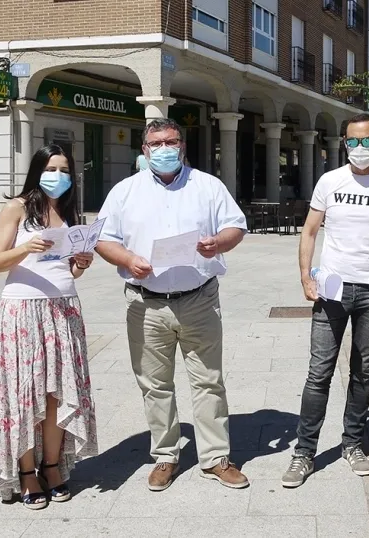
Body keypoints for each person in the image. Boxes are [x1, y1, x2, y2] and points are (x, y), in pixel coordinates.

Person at [96, 118, 249, 491]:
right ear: (144, 150)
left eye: (172, 141)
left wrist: (219, 243)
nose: (165, 148)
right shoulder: (124, 192)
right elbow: (102, 238)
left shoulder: (207, 186)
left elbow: (236, 226)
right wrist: (127, 260)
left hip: (199, 299)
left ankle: (215, 458)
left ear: (182, 145)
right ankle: (165, 456)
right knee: (155, 384)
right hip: (146, 304)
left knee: (209, 381)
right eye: (156, 143)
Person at [282, 113, 369, 488]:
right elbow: (308, 233)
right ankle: (304, 452)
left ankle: (352, 443)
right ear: (344, 143)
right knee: (318, 372)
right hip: (332, 290)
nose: (359, 148)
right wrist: (306, 276)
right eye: (352, 142)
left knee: (363, 370)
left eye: (367, 141)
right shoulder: (330, 181)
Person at [0, 144, 98, 510]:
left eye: (65, 170)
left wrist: (81, 263)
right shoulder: (16, 207)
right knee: (24, 393)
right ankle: (26, 471)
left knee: (55, 395)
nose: (59, 176)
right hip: (22, 310)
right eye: (52, 168)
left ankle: (52, 465)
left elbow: (69, 269)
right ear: (37, 170)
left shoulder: (68, 211)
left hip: (64, 308)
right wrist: (26, 247)